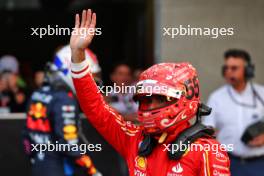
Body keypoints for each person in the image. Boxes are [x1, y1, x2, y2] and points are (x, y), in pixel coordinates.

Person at [69, 9, 230, 176]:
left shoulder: (206, 150)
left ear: (186, 97)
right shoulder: (134, 139)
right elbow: (95, 108)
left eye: (160, 98)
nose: (151, 106)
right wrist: (78, 55)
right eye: (145, 100)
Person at [23, 45, 102, 176]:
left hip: (39, 166)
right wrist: (92, 171)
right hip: (59, 168)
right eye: (87, 75)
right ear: (69, 71)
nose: (90, 82)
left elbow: (26, 136)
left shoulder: (37, 93)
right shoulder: (65, 100)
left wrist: (35, 159)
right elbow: (69, 144)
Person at [203, 49, 264, 176]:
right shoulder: (216, 98)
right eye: (226, 68)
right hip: (228, 163)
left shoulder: (261, 94)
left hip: (259, 164)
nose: (229, 72)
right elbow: (207, 131)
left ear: (248, 70)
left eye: (234, 68)